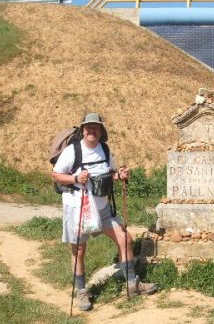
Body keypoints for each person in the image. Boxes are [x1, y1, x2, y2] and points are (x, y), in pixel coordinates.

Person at [52, 112, 157, 311]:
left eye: (96, 127)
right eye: (88, 127)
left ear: (101, 131)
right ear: (83, 130)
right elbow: (56, 175)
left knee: (125, 239)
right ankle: (82, 292)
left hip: (102, 208)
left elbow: (109, 174)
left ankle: (133, 284)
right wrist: (75, 179)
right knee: (79, 250)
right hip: (78, 207)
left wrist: (119, 175)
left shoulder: (105, 150)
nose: (92, 131)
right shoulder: (73, 151)